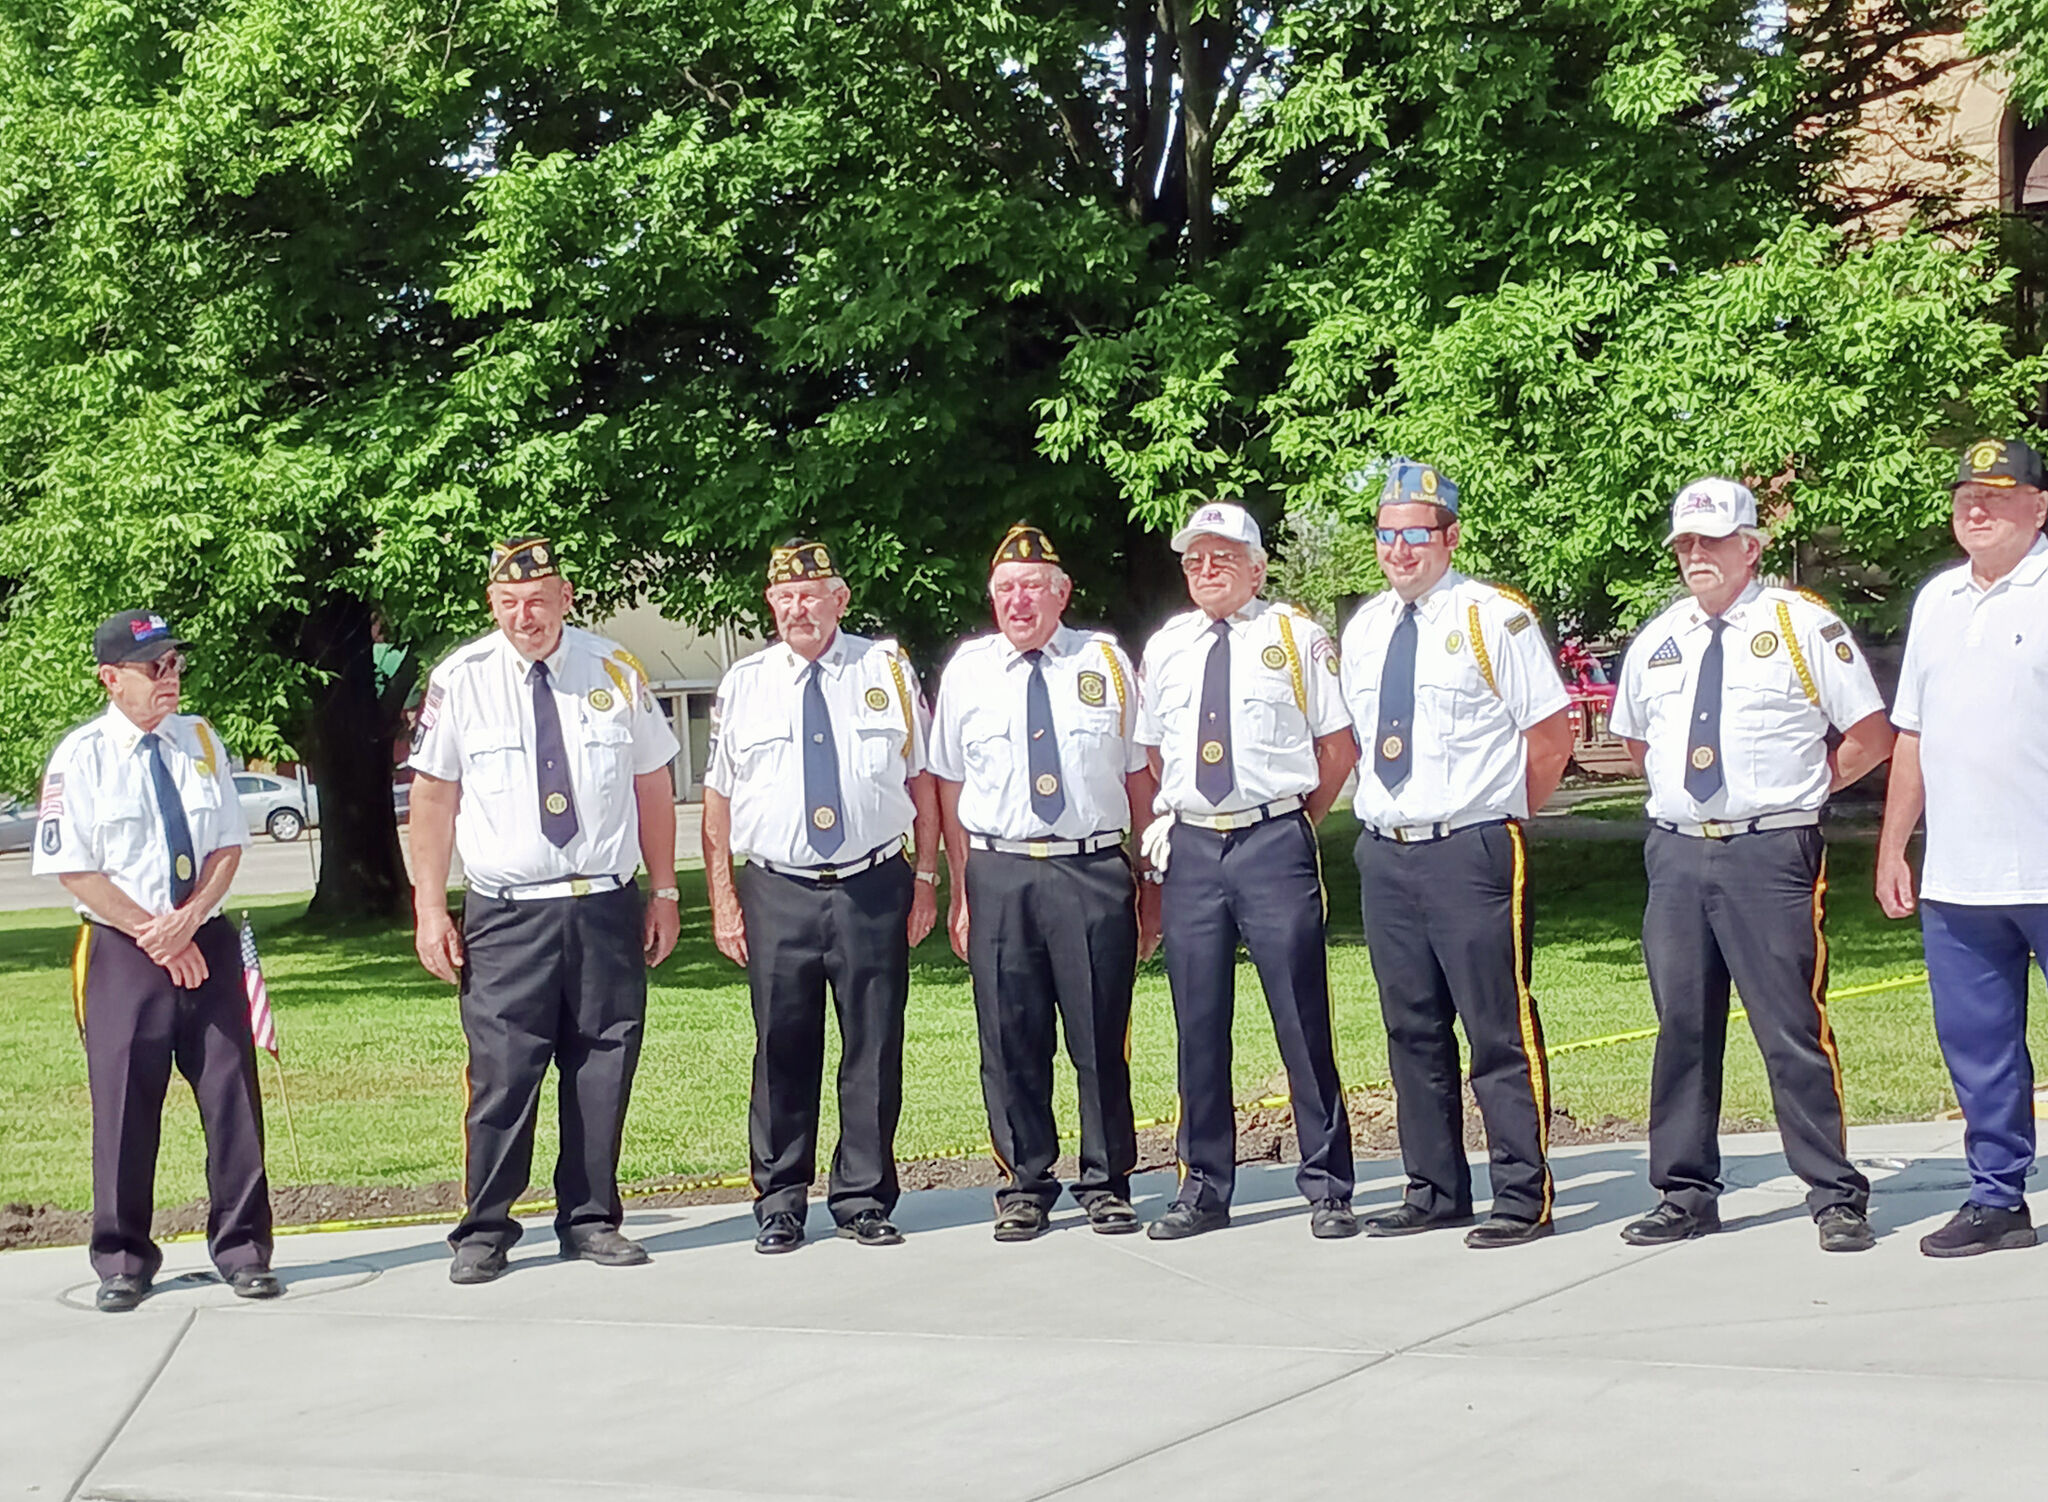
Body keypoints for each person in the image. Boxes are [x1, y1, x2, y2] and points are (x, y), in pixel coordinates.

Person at [1609, 479, 1894, 1253]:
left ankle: (1835, 1194)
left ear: (1751, 547)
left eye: (1711, 541)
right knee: (1682, 1029)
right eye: (1685, 545)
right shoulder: (1659, 639)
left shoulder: (1801, 626)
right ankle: (1684, 1191)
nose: (1696, 556)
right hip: (1676, 850)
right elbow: (1639, 744)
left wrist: (1801, 791)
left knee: (1791, 1025)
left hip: (1770, 850)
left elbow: (1869, 734)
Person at [409, 537, 682, 1285]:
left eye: (537, 600)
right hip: (508, 913)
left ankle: (591, 1218)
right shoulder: (461, 679)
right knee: (502, 1073)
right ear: (492, 606)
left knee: (603, 1065)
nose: (524, 616)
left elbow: (652, 781)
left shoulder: (615, 669)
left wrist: (663, 890)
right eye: (507, 604)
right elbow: (433, 796)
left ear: (565, 598)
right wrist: (430, 906)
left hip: (603, 903)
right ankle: (485, 1229)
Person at [1337, 461, 1575, 1247]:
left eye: (1416, 535)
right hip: (1388, 850)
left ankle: (1521, 1193)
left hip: (1469, 849)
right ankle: (1435, 1186)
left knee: (1496, 1027)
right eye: (1387, 535)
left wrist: (1503, 815)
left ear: (1450, 537)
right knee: (1412, 1029)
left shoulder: (1492, 617)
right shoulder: (1366, 627)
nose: (1400, 551)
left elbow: (1550, 734)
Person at [33, 610, 279, 1311]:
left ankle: (243, 1249)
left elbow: (228, 844)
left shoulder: (200, 739)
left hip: (202, 932)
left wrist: (191, 920)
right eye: (154, 668)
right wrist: (155, 935)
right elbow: (73, 867)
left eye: (174, 664)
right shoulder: (80, 757)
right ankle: (122, 1260)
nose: (169, 679)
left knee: (232, 1097)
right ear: (112, 679)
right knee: (124, 1105)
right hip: (123, 947)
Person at [702, 538, 940, 1254]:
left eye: (813, 594)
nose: (798, 607)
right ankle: (779, 1199)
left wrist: (926, 879)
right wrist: (722, 897)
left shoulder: (886, 669)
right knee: (781, 1046)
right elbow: (718, 799)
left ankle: (863, 1196)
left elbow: (921, 782)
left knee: (872, 1045)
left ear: (840, 599)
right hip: (777, 888)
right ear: (771, 604)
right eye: (785, 597)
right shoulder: (744, 682)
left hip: (872, 882)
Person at [929, 524, 1160, 1241]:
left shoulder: (1106, 662)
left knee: (1099, 1034)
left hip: (1090, 866)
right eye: (1005, 590)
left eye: (1033, 587)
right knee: (1009, 1035)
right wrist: (961, 888)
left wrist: (1148, 877)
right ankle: (1025, 1182)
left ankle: (1107, 1178)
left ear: (1061, 593)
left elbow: (1137, 776)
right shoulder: (967, 670)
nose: (1018, 600)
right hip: (1000, 870)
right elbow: (946, 783)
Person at [1136, 501, 1359, 1240]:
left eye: (1223, 557)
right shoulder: (1166, 647)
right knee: (1198, 1021)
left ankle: (1327, 1184)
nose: (1207, 571)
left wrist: (1294, 821)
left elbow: (1336, 748)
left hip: (1272, 842)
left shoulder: (1295, 637)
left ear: (1257, 567)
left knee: (1300, 1015)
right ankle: (1202, 1186)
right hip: (1196, 847)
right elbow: (1159, 753)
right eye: (1195, 559)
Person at [1878, 437, 2048, 1257]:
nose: (1975, 510)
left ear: (2038, 507)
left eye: (1996, 495)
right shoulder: (1939, 600)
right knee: (1979, 1050)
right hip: (1960, 876)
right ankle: (1997, 1198)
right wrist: (1893, 846)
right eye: (1964, 499)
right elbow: (1912, 732)